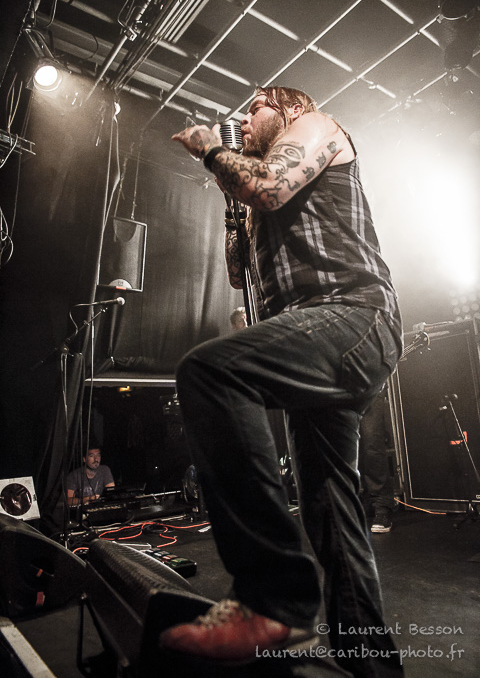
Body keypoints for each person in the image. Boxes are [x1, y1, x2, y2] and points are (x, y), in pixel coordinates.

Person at [161, 86, 404, 677]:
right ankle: (371, 662)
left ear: (288, 108)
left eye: (255, 108)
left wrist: (212, 151)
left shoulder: (317, 126)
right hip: (313, 335)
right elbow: (237, 271)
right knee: (329, 506)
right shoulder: (252, 191)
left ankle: (273, 596)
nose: (245, 119)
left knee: (210, 371)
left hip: (353, 314)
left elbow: (267, 186)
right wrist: (230, 194)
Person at [359, 387, 396, 533]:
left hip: (369, 384)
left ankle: (382, 506)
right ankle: (367, 501)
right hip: (341, 385)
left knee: (372, 444)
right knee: (351, 446)